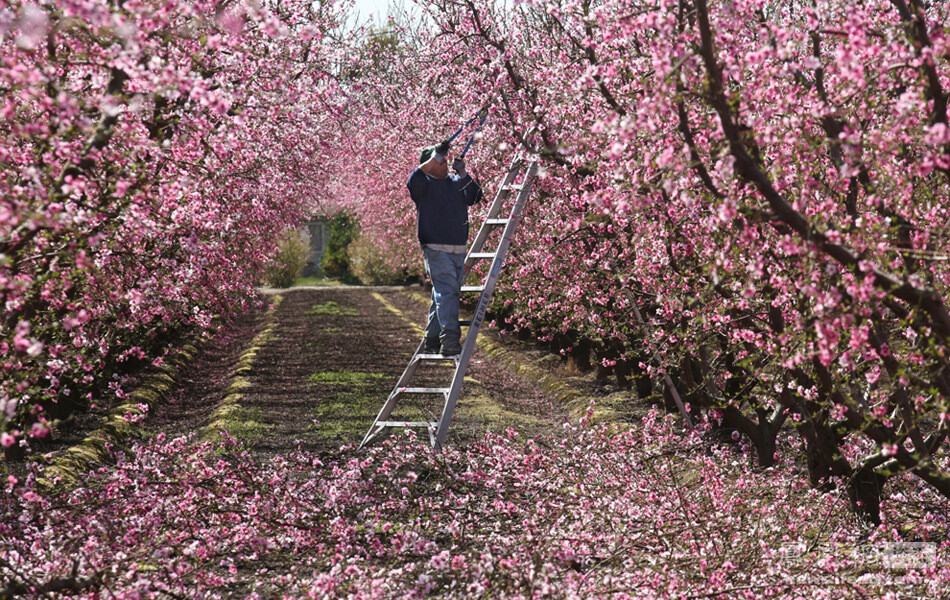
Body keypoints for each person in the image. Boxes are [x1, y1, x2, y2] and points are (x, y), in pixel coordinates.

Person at [408, 140, 484, 355]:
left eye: (444, 161)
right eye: (439, 161)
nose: (444, 164)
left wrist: (463, 173)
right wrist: (436, 156)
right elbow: (413, 178)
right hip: (435, 248)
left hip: (458, 248)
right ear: (429, 164)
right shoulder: (423, 185)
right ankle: (450, 339)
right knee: (448, 292)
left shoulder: (455, 182)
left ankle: (432, 338)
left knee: (442, 294)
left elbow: (475, 196)